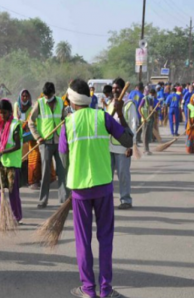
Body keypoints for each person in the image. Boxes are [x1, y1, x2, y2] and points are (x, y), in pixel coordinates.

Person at [59, 79, 133, 298]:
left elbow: (64, 158)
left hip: (80, 190)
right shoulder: (103, 117)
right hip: (103, 187)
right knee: (105, 239)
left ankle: (89, 290)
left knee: (83, 240)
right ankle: (106, 290)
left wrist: (73, 177)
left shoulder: (68, 124)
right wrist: (121, 115)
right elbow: (128, 141)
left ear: (72, 101)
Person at [28, 82, 69, 208]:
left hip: (59, 141)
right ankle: (43, 200)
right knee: (45, 172)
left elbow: (65, 119)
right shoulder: (39, 104)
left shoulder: (61, 103)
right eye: (45, 95)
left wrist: (67, 121)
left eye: (49, 95)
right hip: (45, 142)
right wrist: (37, 137)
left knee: (62, 171)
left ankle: (64, 200)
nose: (47, 97)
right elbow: (31, 122)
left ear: (53, 93)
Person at [0, 99, 23, 231]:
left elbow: (17, 145)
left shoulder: (15, 125)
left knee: (13, 192)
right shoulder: (0, 125)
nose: (2, 116)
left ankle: (16, 217)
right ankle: (0, 220)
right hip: (1, 163)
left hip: (12, 164)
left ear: (10, 112)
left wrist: (3, 152)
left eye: (4, 113)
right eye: (0, 113)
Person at [109, 78, 138, 210]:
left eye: (117, 88)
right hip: (108, 146)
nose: (115, 90)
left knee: (123, 175)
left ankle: (125, 199)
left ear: (122, 89)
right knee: (107, 176)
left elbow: (133, 126)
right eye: (113, 88)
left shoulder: (129, 105)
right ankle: (107, 201)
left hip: (122, 146)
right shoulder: (110, 103)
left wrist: (130, 146)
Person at [13, 89, 34, 188]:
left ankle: (24, 180)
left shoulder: (31, 108)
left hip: (26, 135)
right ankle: (18, 180)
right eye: (23, 96)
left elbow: (31, 120)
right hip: (17, 133)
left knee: (26, 159)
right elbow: (14, 117)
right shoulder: (16, 105)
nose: (25, 98)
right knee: (17, 158)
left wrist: (26, 125)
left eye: (26, 96)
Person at [139, 88, 156, 155]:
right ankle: (145, 150)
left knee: (148, 135)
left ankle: (147, 149)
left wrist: (153, 111)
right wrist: (143, 117)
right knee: (145, 135)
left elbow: (150, 109)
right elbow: (139, 108)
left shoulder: (151, 99)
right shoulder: (144, 99)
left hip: (149, 119)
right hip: (144, 120)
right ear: (152, 94)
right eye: (153, 95)